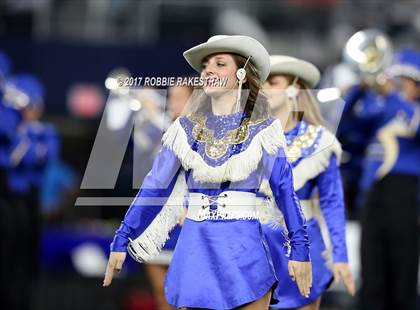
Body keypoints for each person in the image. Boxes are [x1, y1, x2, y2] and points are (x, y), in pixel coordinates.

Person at [103, 35, 312, 309]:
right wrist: (122, 237)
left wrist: (300, 249)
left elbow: (284, 190)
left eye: (220, 63)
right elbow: (155, 186)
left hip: (244, 252)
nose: (208, 70)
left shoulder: (264, 129)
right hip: (195, 251)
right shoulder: (182, 130)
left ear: (240, 73)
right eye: (205, 65)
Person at [259, 55, 355, 310]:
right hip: (253, 246)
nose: (263, 89)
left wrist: (340, 255)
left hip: (302, 245)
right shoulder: (245, 137)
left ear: (294, 87)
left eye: (273, 82)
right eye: (261, 83)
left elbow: (332, 202)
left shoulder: (320, 141)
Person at [357, 48, 420, 310]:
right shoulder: (378, 109)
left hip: (405, 196)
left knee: (402, 277)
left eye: (404, 81)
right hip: (372, 197)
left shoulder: (410, 109)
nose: (396, 85)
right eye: (395, 80)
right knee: (372, 275)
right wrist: (357, 91)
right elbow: (346, 127)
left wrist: (390, 95)